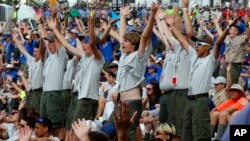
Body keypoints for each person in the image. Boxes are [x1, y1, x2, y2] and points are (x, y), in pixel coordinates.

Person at [167, 9, 240, 141]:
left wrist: (228, 26)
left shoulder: (211, 59)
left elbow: (218, 43)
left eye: (199, 44)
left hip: (201, 100)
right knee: (186, 131)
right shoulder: (193, 55)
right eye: (196, 43)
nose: (196, 46)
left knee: (200, 133)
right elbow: (183, 39)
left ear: (207, 47)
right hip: (189, 99)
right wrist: (171, 25)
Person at [113, 4, 157, 140]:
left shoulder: (139, 55)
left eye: (126, 41)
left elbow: (144, 37)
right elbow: (122, 34)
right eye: (123, 41)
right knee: (120, 131)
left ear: (133, 45)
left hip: (132, 101)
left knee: (130, 132)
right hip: (121, 100)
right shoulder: (125, 55)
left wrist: (152, 17)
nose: (122, 42)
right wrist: (122, 16)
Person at [12, 31, 44, 113]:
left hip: (38, 92)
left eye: (37, 52)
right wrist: (16, 39)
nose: (34, 53)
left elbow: (20, 92)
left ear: (40, 53)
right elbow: (23, 51)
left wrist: (13, 83)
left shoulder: (42, 62)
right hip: (31, 92)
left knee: (36, 112)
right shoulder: (31, 60)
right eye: (34, 51)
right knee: (29, 112)